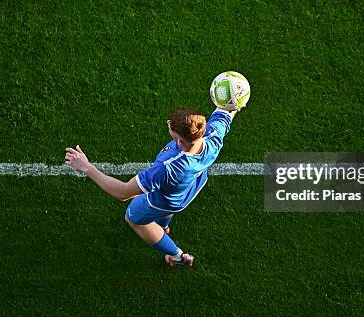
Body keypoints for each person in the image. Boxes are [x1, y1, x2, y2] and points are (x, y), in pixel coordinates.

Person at [64, 107, 237, 267]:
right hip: (192, 187)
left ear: (178, 140)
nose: (168, 123)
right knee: (169, 199)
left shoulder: (167, 168)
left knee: (133, 218)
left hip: (165, 200)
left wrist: (86, 166)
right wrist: (232, 102)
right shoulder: (213, 136)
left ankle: (177, 256)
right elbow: (226, 111)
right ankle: (162, 227)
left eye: (171, 126)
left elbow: (122, 192)